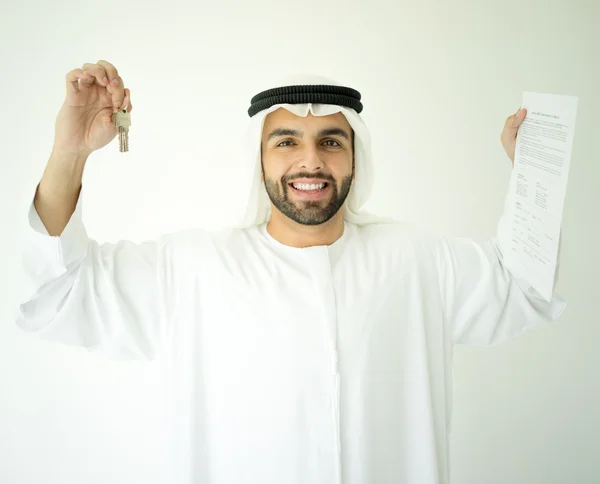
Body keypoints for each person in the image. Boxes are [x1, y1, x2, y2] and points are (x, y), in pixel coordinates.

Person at [15, 60, 566, 484]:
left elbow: (521, 286)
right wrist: (70, 151)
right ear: (259, 160)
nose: (311, 162)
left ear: (355, 156)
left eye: (331, 141)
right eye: (286, 142)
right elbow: (59, 291)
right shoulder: (193, 269)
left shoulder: (417, 259)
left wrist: (535, 168)